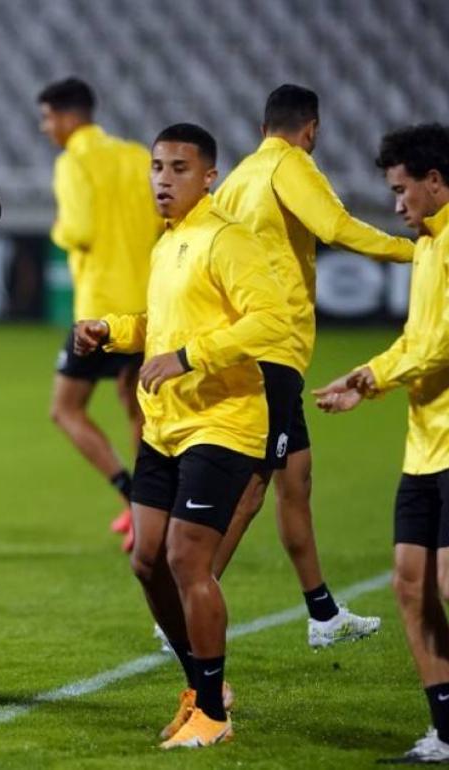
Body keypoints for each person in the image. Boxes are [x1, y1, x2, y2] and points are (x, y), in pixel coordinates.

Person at [75, 123, 285, 749]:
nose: (163, 180)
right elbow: (161, 325)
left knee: (186, 559)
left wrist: (191, 357)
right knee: (146, 559)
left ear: (209, 176)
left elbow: (269, 320)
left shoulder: (228, 240)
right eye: (158, 168)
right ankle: (202, 685)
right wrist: (110, 330)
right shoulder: (168, 245)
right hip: (165, 428)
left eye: (179, 169)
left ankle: (214, 715)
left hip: (221, 424)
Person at [211, 84, 408, 644]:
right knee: (252, 487)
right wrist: (419, 250)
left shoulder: (239, 177)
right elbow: (337, 228)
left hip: (247, 345)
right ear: (311, 129)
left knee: (294, 480)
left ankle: (322, 614)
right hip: (272, 348)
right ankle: (187, 600)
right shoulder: (290, 164)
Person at [313, 123, 449, 763]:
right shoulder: (426, 249)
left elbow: (438, 346)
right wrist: (362, 378)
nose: (397, 205)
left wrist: (375, 379)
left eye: (402, 191)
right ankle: (445, 730)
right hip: (425, 444)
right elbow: (413, 341)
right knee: (409, 583)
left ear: (435, 181)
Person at [39, 78, 161, 553]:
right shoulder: (134, 155)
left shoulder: (73, 162)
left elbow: (81, 229)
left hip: (98, 311)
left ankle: (133, 495)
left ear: (69, 118)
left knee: (65, 409)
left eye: (48, 118)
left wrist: (59, 231)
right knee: (137, 405)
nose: (46, 128)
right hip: (146, 306)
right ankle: (153, 506)